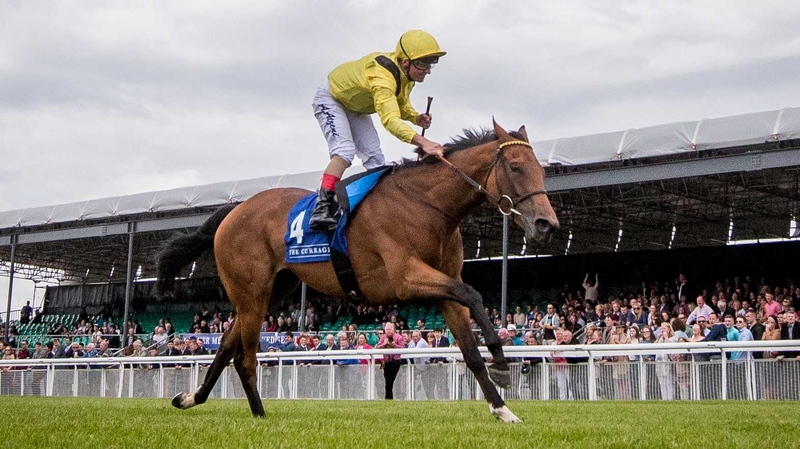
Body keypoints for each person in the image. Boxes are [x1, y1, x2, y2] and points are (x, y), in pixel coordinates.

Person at [308, 30, 446, 230]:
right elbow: (390, 120)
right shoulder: (382, 76)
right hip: (331, 98)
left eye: (431, 63)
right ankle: (321, 208)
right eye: (423, 64)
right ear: (405, 62)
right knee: (345, 152)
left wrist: (415, 117)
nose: (428, 70)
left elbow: (400, 105)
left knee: (375, 159)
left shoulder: (406, 77)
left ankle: (381, 205)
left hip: (356, 107)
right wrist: (424, 142)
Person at [376, 322, 405, 400]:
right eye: (387, 329)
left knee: (389, 378)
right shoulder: (383, 337)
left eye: (390, 329)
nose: (388, 331)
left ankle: (388, 397)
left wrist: (394, 345)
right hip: (386, 361)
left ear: (393, 329)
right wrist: (384, 344)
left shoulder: (399, 337)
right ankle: (389, 397)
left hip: (395, 361)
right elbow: (377, 347)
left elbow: (403, 348)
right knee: (387, 379)